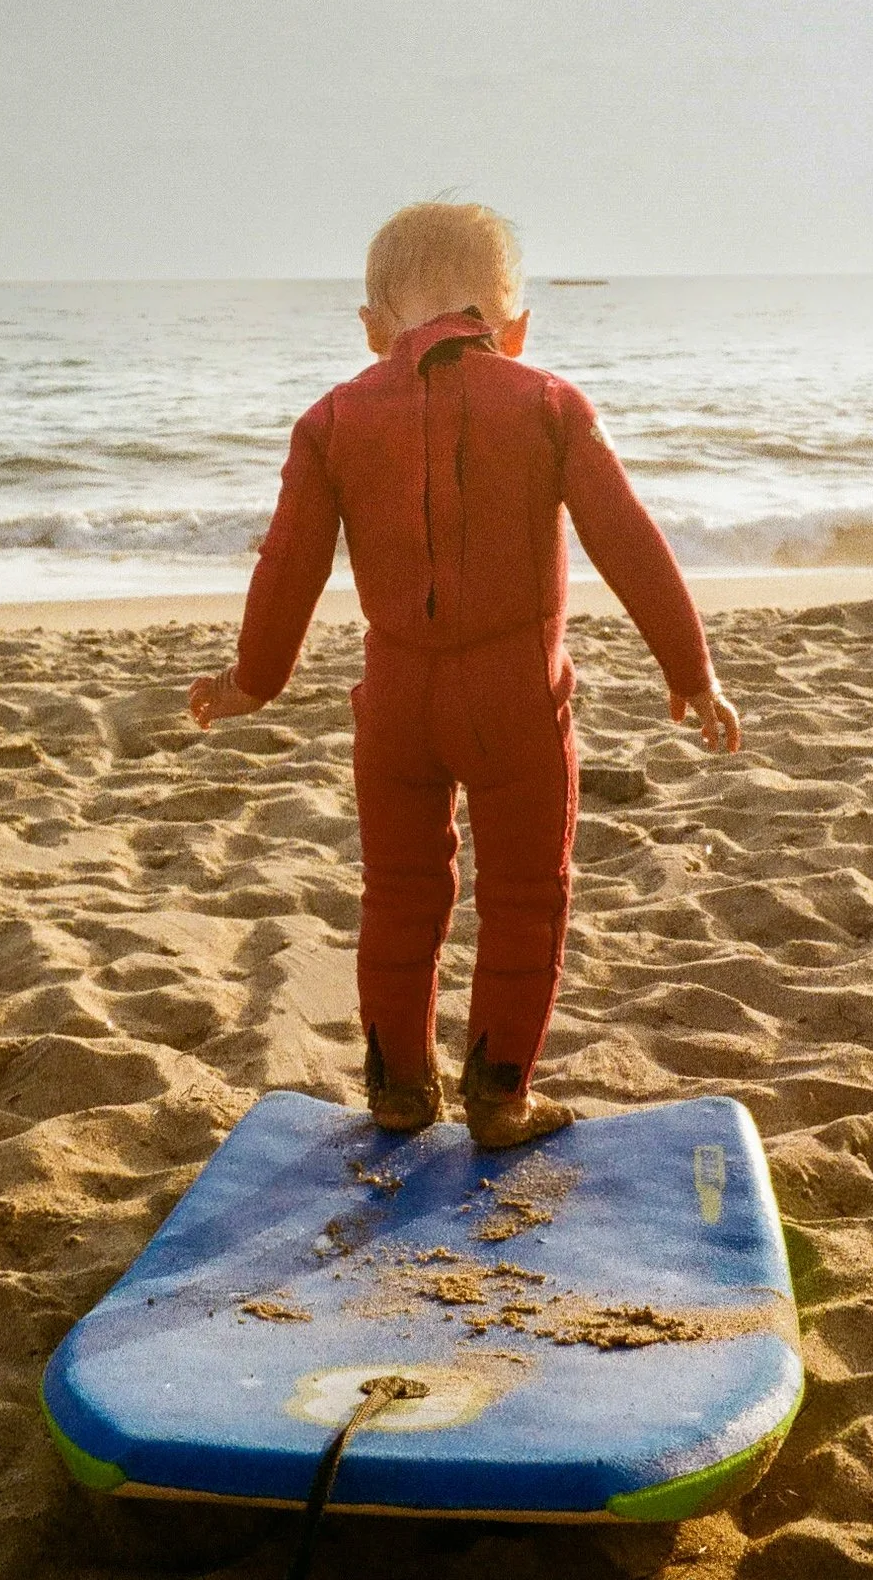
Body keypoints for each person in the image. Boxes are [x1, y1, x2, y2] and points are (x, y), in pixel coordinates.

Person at [189, 202, 741, 1152]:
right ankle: (500, 1094)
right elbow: (628, 543)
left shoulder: (329, 422)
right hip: (517, 698)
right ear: (514, 324)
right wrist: (690, 670)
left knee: (401, 892)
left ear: (372, 327)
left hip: (397, 701)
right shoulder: (547, 403)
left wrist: (254, 680)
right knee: (527, 895)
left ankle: (399, 1086)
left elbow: (288, 566)